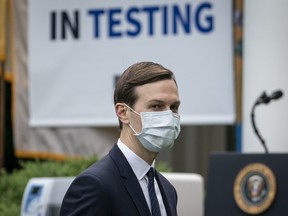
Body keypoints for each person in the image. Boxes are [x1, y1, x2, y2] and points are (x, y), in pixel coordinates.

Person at [60, 61, 181, 216]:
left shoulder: (167, 190)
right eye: (156, 106)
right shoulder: (95, 185)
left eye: (174, 107)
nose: (168, 116)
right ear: (123, 113)